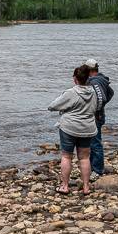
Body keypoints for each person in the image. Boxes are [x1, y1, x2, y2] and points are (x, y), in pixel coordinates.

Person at [48, 65, 97, 195]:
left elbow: (52, 106)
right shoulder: (94, 92)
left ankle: (65, 186)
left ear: (75, 79)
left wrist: (64, 109)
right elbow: (96, 107)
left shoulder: (71, 92)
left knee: (66, 156)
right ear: (88, 78)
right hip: (87, 127)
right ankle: (86, 187)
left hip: (69, 128)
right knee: (84, 157)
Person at [84, 58, 113, 177]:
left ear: (89, 70)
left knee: (95, 143)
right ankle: (92, 167)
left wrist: (96, 110)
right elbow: (111, 93)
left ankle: (97, 170)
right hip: (99, 115)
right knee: (93, 142)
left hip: (95, 116)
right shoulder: (102, 80)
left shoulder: (94, 81)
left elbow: (102, 98)